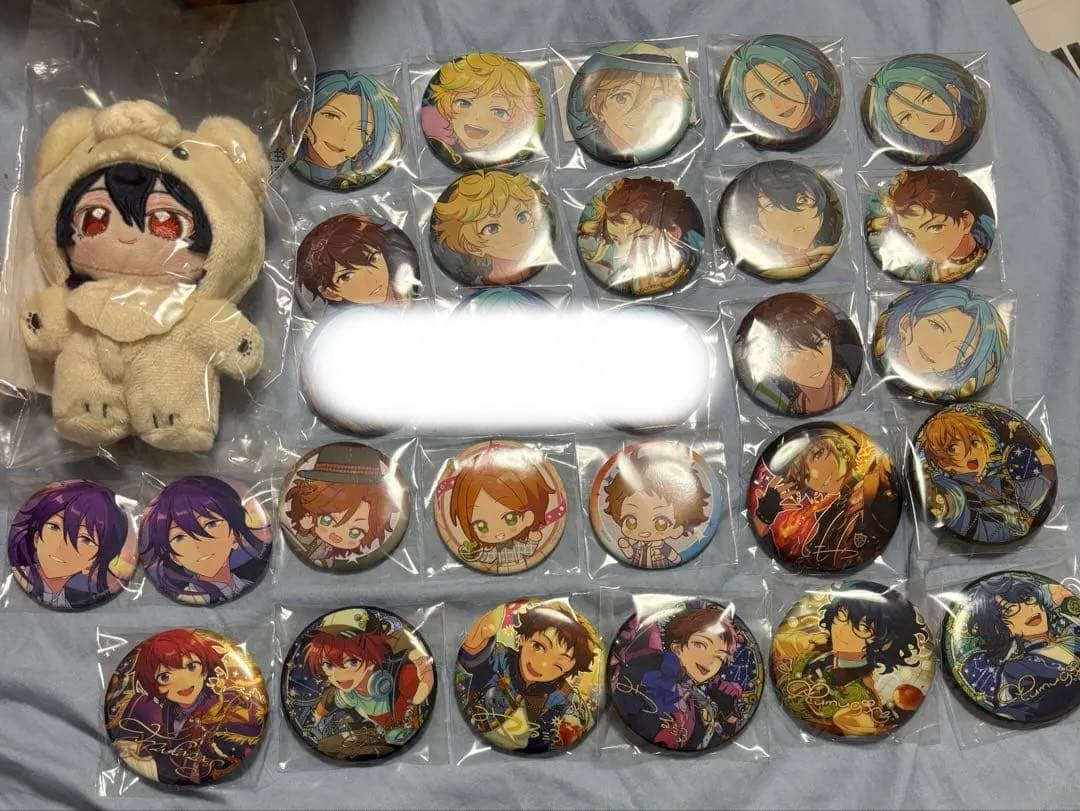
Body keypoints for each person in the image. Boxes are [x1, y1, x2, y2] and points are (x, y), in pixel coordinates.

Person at [456, 602, 596, 752]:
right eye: (538, 646)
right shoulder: (501, 657)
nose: (541, 665)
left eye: (558, 665)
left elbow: (545, 739)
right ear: (523, 637)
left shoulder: (561, 697)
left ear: (566, 672)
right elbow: (474, 658)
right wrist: (479, 642)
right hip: (471, 724)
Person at [611, 605, 745, 749]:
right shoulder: (647, 665)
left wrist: (729, 714)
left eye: (719, 657)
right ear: (676, 647)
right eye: (700, 644)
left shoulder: (698, 708)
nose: (710, 660)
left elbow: (710, 742)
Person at [918, 408, 1056, 542]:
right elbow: (948, 499)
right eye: (953, 448)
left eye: (974, 442)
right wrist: (936, 496)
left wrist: (1032, 443)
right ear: (941, 461)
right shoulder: (952, 487)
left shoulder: (1000, 483)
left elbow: (1047, 480)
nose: (969, 452)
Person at [960, 573, 1080, 721]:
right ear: (999, 628)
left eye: (1028, 599)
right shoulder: (1016, 669)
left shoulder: (1071, 632)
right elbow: (1013, 712)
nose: (1028, 611)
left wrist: (1049, 594)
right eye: (1009, 610)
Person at [7, 480, 130, 610]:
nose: (62, 546)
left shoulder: (71, 596)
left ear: (95, 560)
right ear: (37, 537)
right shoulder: (23, 576)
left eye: (85, 539)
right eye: (54, 527)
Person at [874, 285, 1006, 400]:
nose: (938, 350)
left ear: (964, 361)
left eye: (960, 349)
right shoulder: (886, 349)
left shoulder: (948, 389)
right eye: (937, 326)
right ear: (906, 323)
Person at [577, 177, 704, 295]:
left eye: (640, 239)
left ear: (674, 232)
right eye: (617, 240)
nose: (626, 251)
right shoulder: (625, 281)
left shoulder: (688, 257)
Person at [735, 293, 856, 415]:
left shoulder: (854, 367)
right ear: (774, 365)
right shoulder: (789, 407)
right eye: (791, 354)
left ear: (831, 340)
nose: (812, 360)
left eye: (820, 343)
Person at [869, 168, 995, 282]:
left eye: (935, 227)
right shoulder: (917, 269)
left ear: (966, 221)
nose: (922, 244)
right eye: (910, 233)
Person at [422, 52, 543, 167]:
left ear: (516, 119)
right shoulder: (441, 143)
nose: (478, 118)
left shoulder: (515, 149)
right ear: (446, 104)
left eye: (498, 112)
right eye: (464, 103)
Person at [431, 170, 550, 285]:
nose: (516, 234)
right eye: (492, 228)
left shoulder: (538, 255)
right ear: (472, 247)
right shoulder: (485, 280)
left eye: (522, 217)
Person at [601, 445, 710, 568]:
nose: (645, 532)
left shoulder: (663, 547)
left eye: (660, 523)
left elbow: (676, 558)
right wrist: (625, 547)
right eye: (631, 521)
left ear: (678, 529)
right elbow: (630, 555)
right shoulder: (636, 544)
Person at [292, 70, 404, 189]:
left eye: (361, 129)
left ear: (369, 140)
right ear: (307, 118)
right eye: (332, 116)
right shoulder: (291, 153)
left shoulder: (359, 173)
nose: (343, 137)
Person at [721, 35, 839, 143]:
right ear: (753, 107)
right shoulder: (764, 135)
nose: (777, 103)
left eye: (784, 82)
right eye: (759, 96)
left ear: (811, 80)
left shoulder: (825, 116)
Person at [295, 214, 417, 306]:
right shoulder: (344, 325)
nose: (372, 278)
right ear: (331, 293)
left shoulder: (406, 279)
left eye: (373, 258)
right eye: (346, 276)